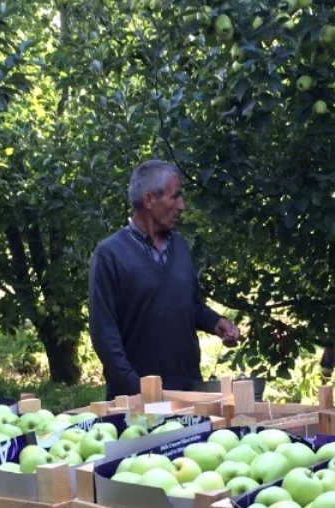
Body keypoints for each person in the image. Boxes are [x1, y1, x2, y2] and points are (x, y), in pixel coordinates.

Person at [89, 160, 240, 400]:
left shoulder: (179, 246)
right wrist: (137, 389)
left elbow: (187, 303)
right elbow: (103, 334)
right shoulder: (110, 255)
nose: (183, 206)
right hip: (134, 400)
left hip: (188, 392)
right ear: (149, 200)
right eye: (175, 197)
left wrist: (216, 322)